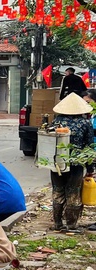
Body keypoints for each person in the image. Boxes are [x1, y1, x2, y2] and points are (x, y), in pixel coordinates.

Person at [48, 92, 96, 232]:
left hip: (57, 163)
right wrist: (90, 169)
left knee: (57, 192)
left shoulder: (56, 121)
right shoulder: (85, 123)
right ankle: (71, 225)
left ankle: (57, 223)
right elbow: (89, 147)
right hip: (76, 164)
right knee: (73, 193)